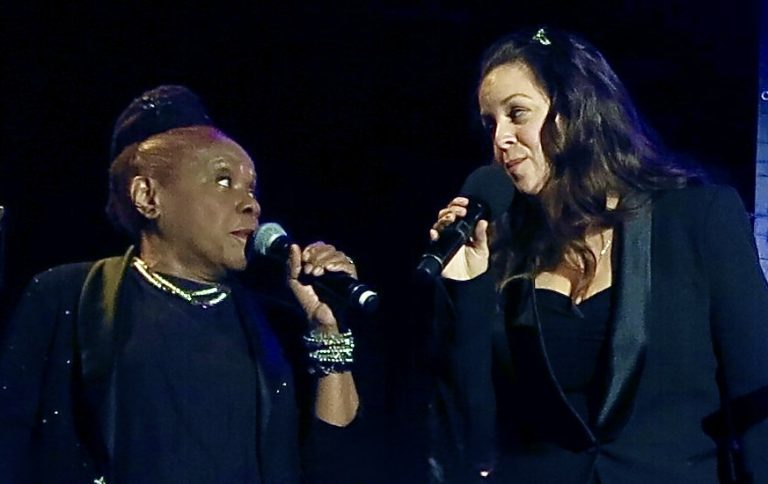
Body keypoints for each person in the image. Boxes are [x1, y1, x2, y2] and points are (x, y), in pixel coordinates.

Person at [428, 27, 768, 483]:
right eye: (491, 124)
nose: (501, 138)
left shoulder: (696, 219)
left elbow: (758, 393)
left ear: (575, 110)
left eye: (517, 114)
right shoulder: (506, 251)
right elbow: (471, 432)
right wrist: (466, 286)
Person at [0, 85, 360, 483]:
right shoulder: (67, 296)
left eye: (251, 188)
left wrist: (329, 331)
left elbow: (330, 464)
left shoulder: (276, 326)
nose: (251, 204)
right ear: (147, 196)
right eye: (223, 180)